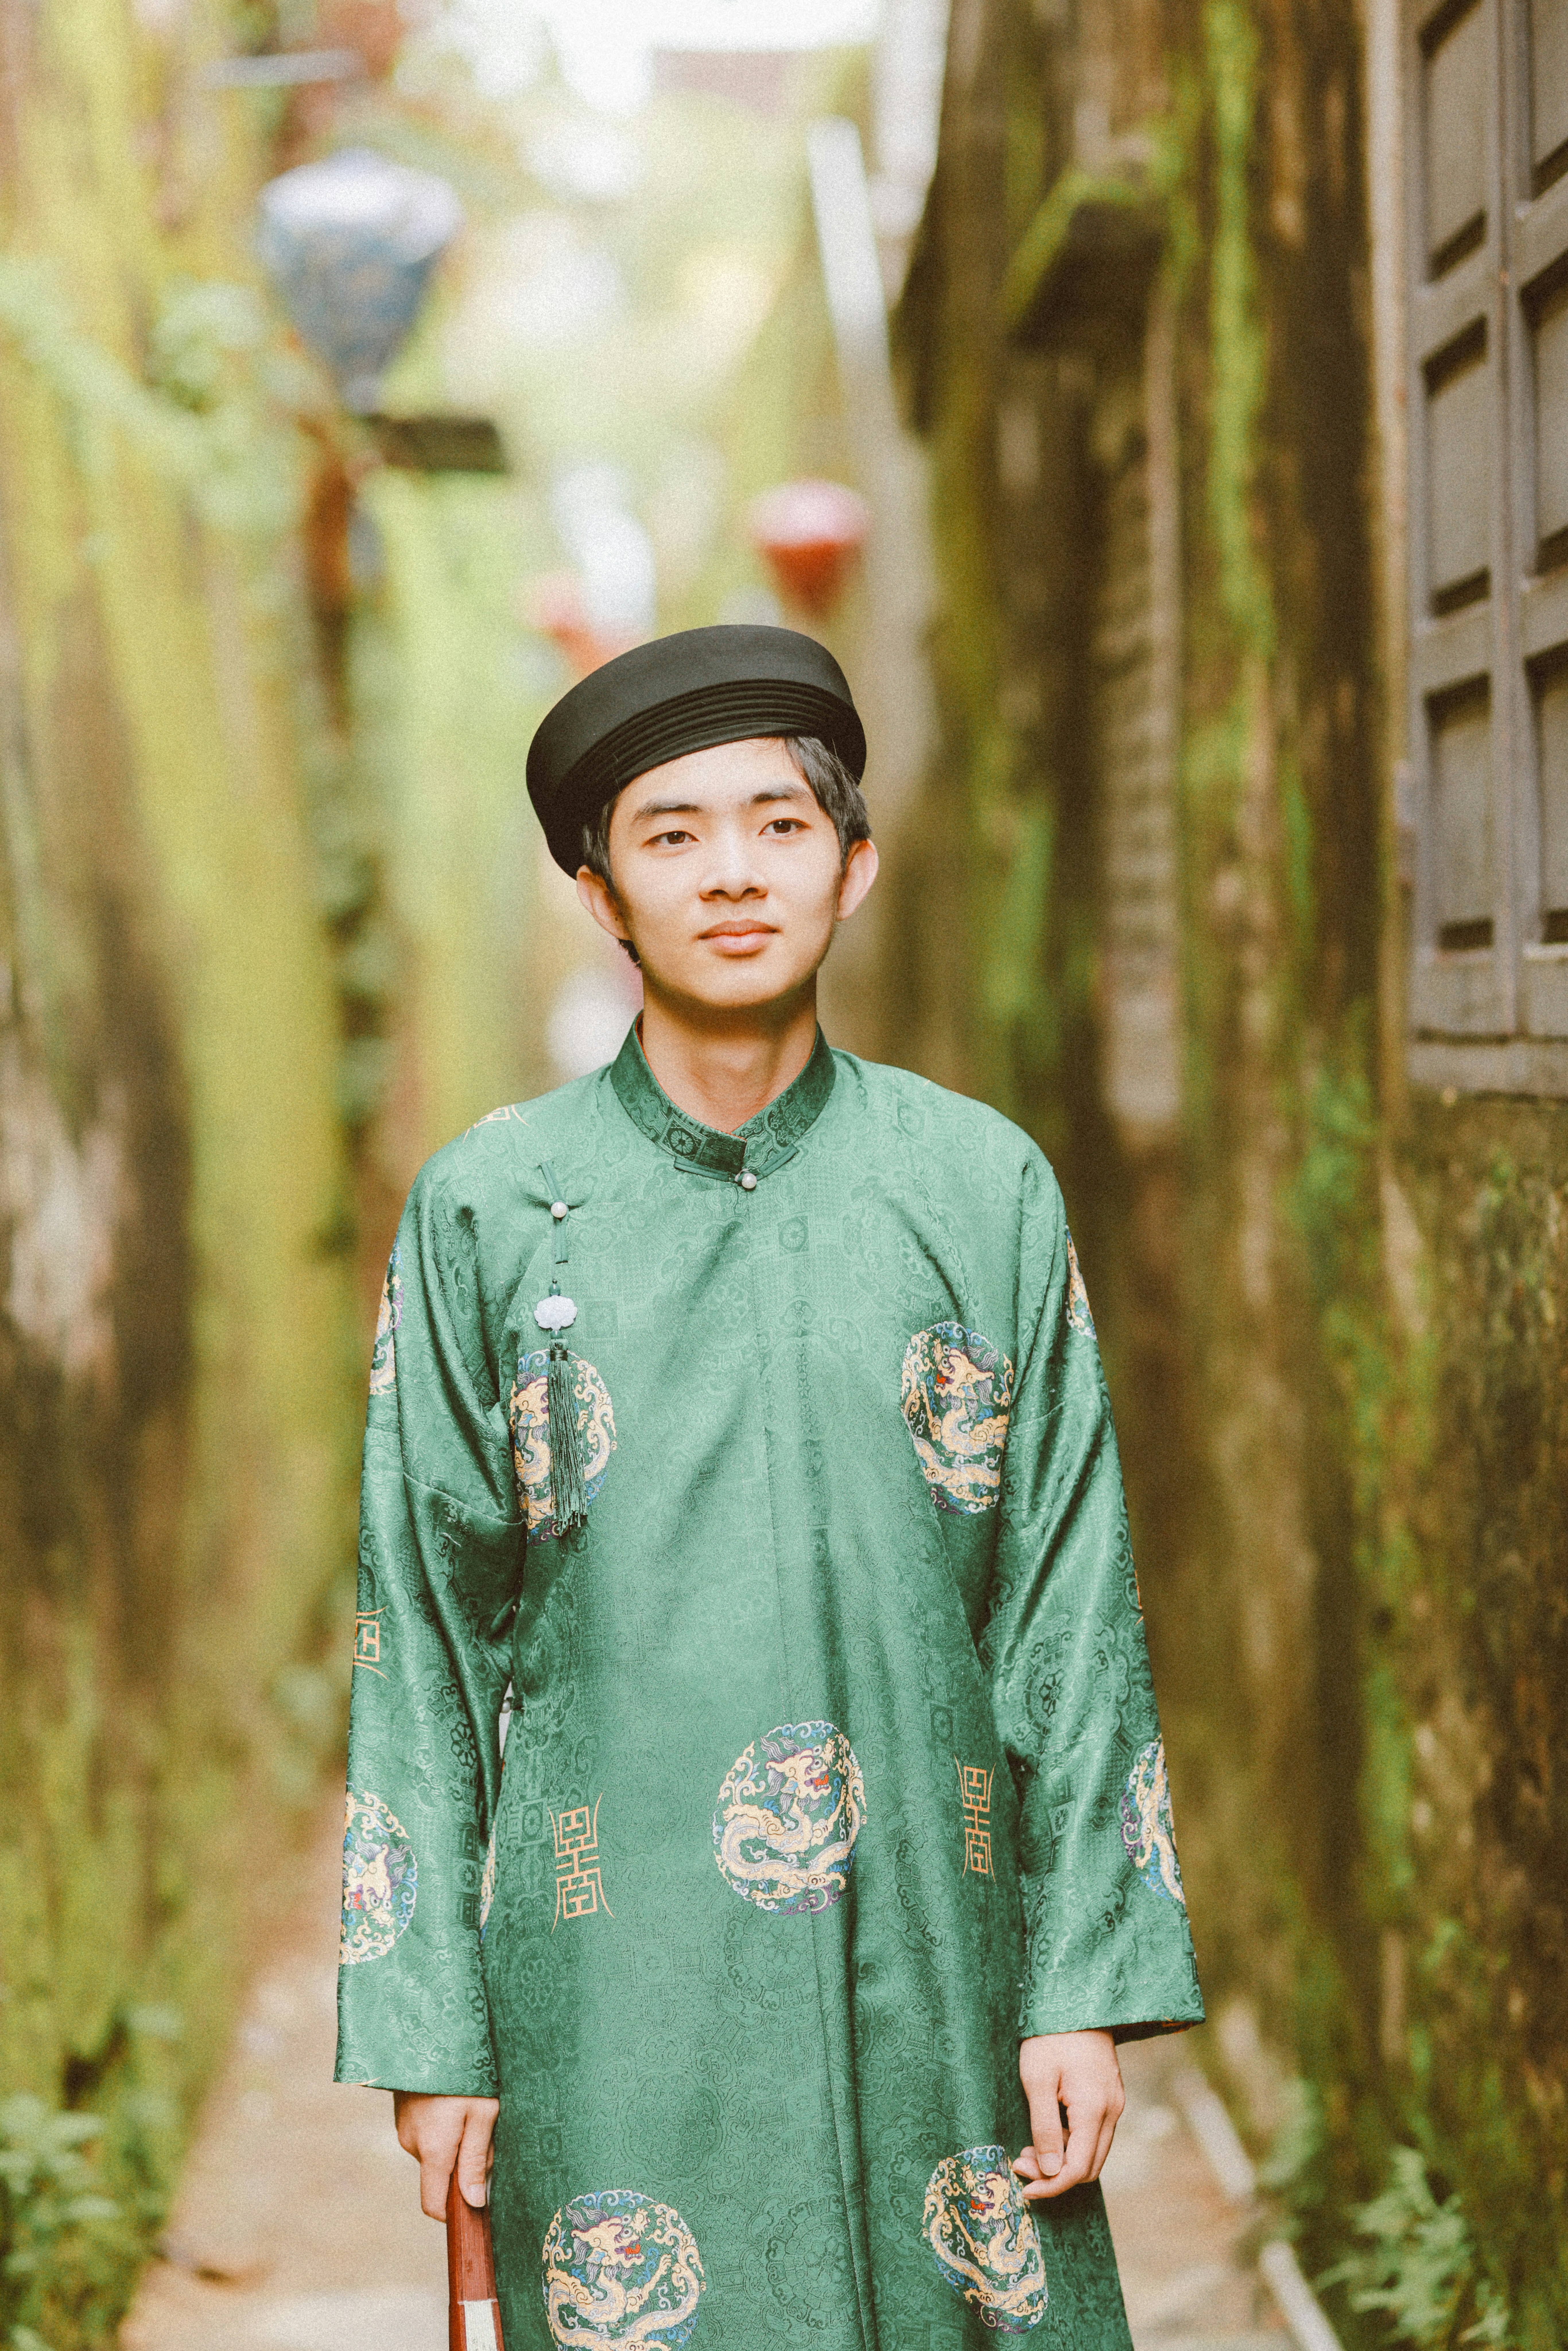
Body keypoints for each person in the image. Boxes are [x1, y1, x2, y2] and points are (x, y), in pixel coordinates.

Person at [336, 625, 1202, 2350]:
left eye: (778, 825)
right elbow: (419, 1636)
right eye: (670, 834)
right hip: (605, 1976)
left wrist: (1081, 1992)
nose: (731, 872)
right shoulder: (492, 1211)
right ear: (600, 894)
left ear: (852, 866)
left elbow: (1064, 1594)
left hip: (944, 1959)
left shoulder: (978, 1183)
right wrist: (431, 2030)